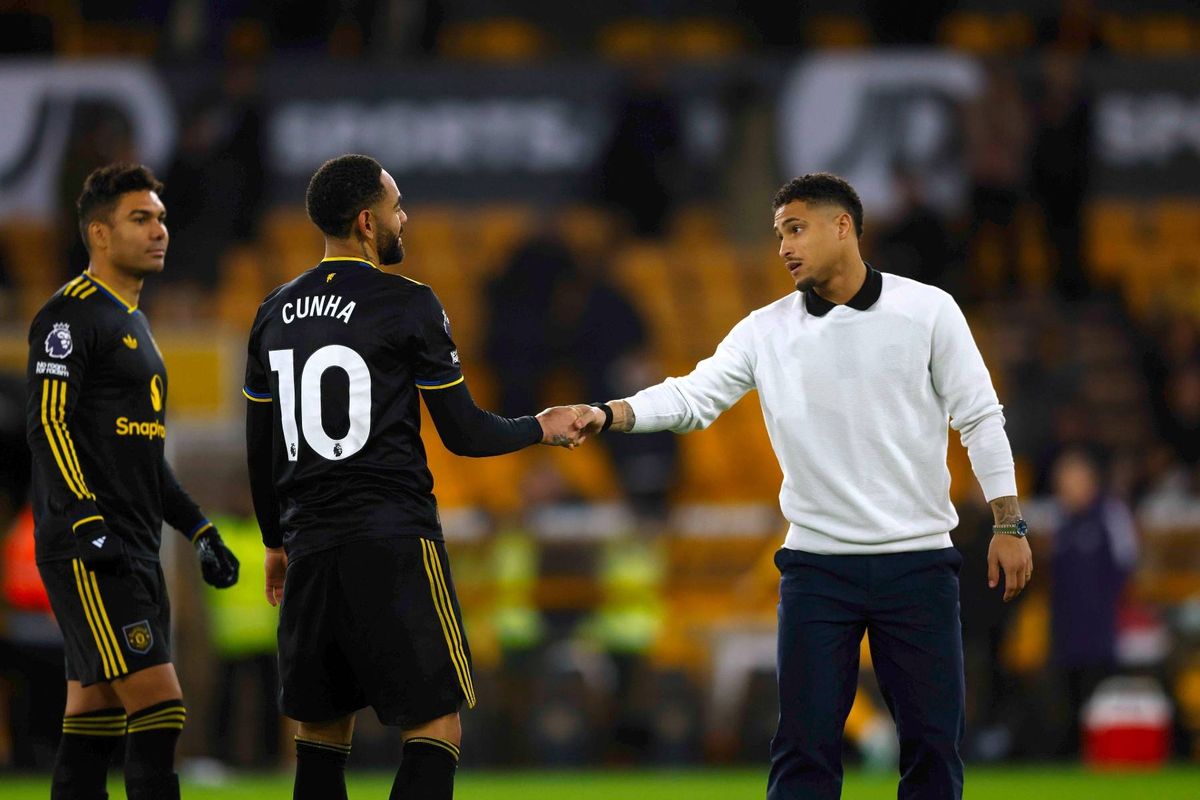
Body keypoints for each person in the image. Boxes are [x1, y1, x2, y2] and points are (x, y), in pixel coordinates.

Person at [571, 173, 1034, 799]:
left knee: (932, 746)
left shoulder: (928, 311)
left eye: (796, 229)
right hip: (819, 570)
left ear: (842, 226)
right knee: (804, 750)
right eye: (778, 234)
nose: (784, 247)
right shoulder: (765, 330)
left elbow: (980, 416)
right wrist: (608, 412)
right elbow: (693, 396)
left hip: (919, 565)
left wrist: (1008, 523)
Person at [242, 153, 586, 800]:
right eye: (398, 207)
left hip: (310, 548)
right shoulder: (408, 304)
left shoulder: (272, 312)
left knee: (319, 740)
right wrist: (543, 425)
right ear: (368, 222)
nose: (407, 218)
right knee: (436, 724)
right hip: (393, 541)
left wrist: (274, 541)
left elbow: (261, 448)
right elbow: (463, 432)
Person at [25, 163, 240, 800]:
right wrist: (86, 520)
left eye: (161, 219)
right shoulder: (68, 318)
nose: (159, 231)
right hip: (90, 548)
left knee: (92, 717)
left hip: (138, 546)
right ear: (98, 233)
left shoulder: (139, 328)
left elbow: (146, 457)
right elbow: (48, 424)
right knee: (160, 708)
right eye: (140, 219)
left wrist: (198, 528)